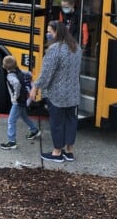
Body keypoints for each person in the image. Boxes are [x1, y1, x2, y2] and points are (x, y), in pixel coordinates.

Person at [30, 20, 82, 162]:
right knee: (71, 121)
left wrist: (35, 87)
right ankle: (69, 152)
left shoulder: (54, 49)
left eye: (49, 32)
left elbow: (46, 73)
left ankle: (57, 152)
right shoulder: (76, 47)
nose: (47, 34)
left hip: (57, 94)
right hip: (73, 94)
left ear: (57, 32)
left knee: (57, 123)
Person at [0, 55, 41, 150]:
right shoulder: (19, 70)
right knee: (24, 116)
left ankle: (12, 141)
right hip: (24, 99)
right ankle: (34, 130)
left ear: (4, 67)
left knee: (11, 120)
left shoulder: (10, 76)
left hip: (18, 102)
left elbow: (17, 84)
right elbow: (29, 73)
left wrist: (15, 97)